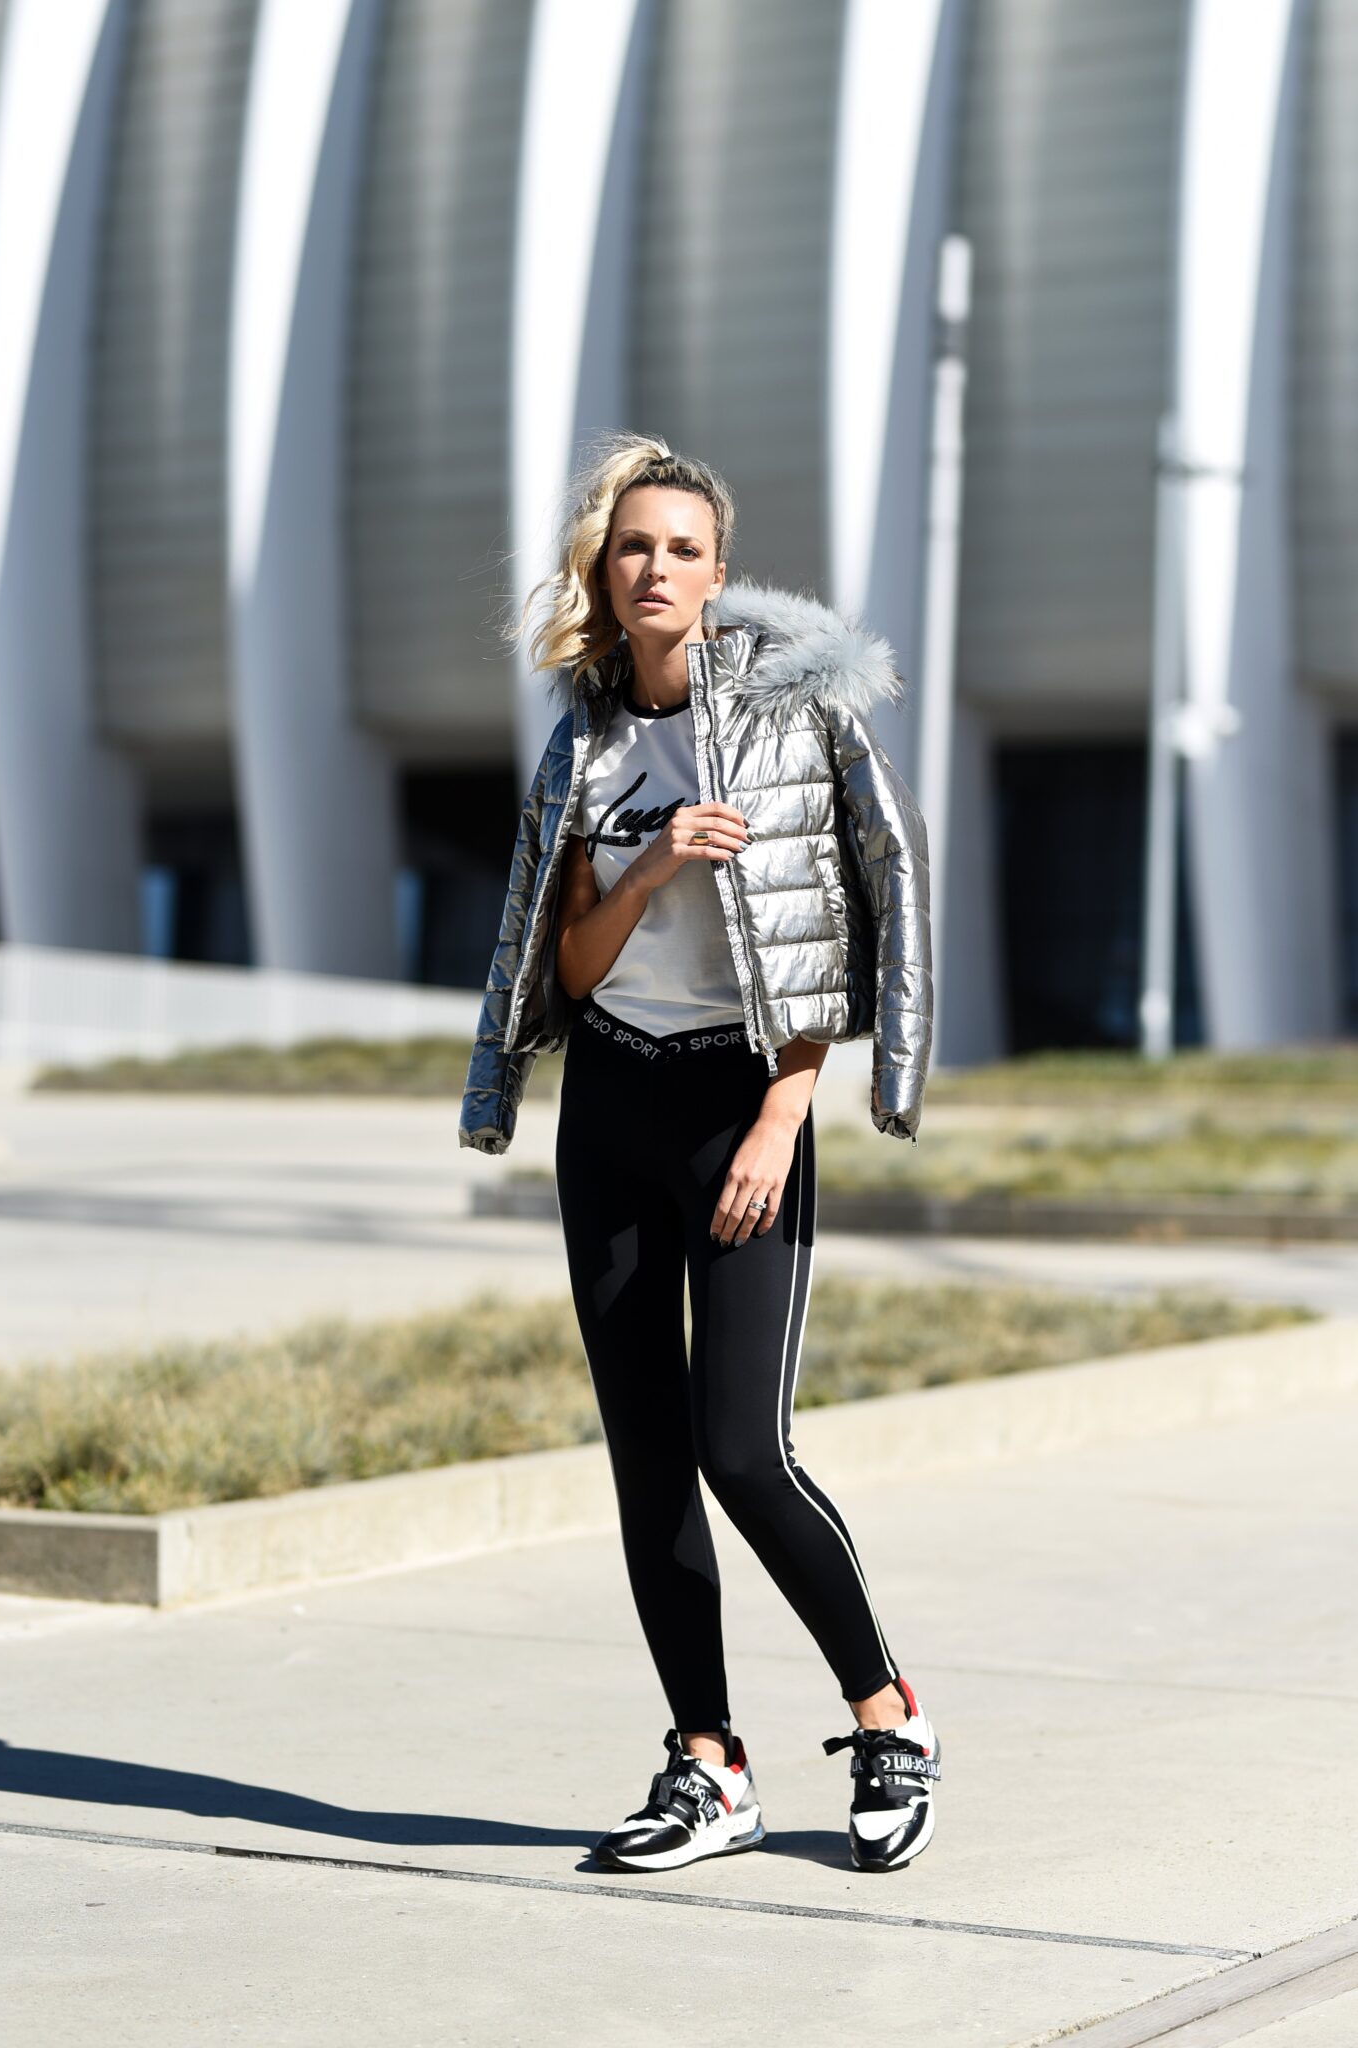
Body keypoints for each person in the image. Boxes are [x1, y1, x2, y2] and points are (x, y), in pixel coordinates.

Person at [459, 431, 938, 1875]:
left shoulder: (794, 719)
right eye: (633, 548)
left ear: (720, 572)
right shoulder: (585, 742)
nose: (656, 569)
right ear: (602, 572)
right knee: (648, 1460)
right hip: (612, 1108)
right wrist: (655, 861)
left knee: (744, 1449)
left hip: (744, 1107)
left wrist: (788, 1114)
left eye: (682, 548)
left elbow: (856, 905)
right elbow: (571, 964)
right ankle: (708, 1764)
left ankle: (888, 1716)